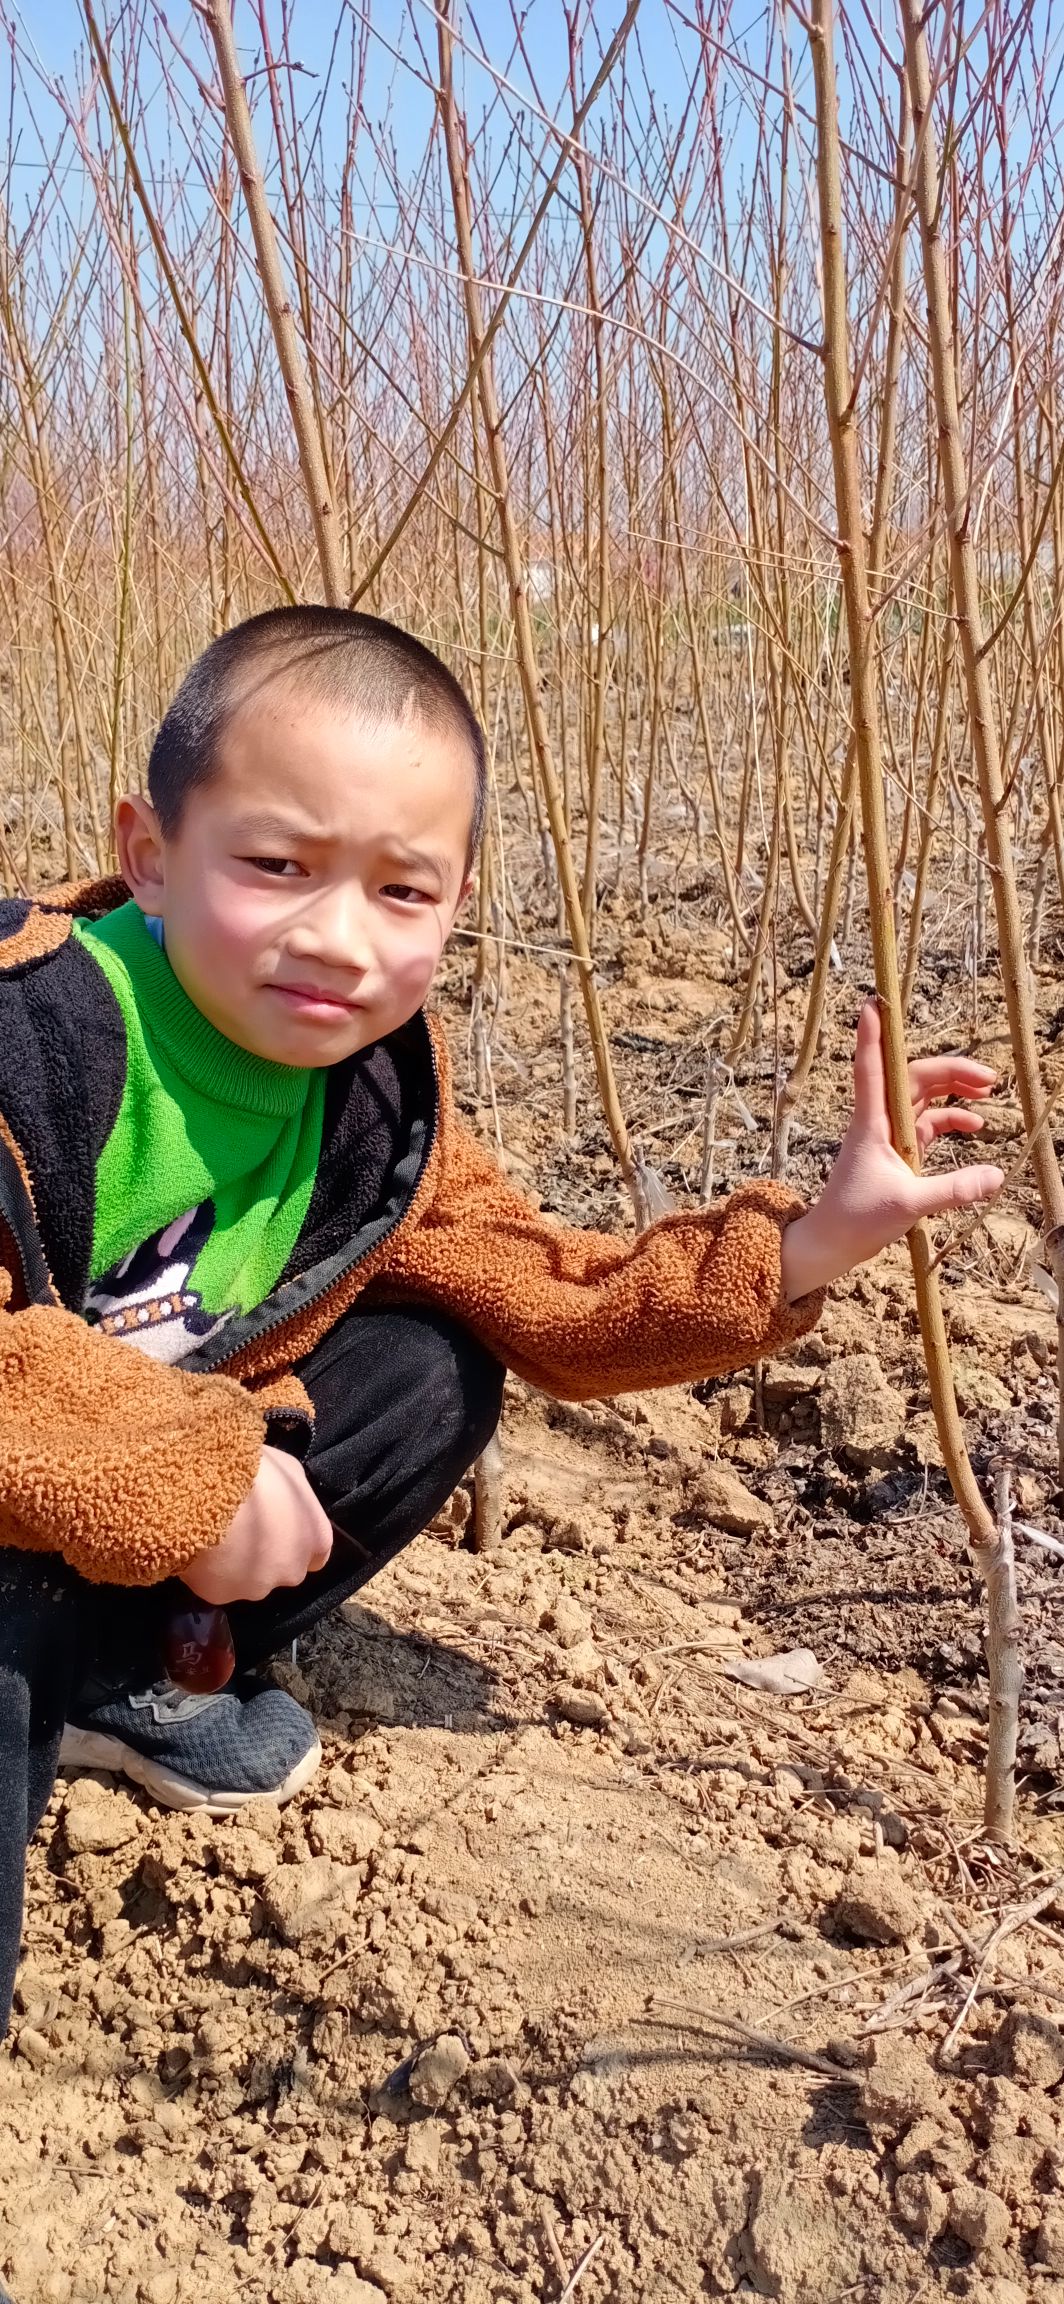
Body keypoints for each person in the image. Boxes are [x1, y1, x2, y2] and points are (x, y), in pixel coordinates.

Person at [0, 604, 1003, 2047]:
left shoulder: (373, 1099)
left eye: (402, 893)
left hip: (122, 1495)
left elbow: (561, 1297)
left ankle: (123, 1678)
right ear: (152, 853)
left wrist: (806, 1242)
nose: (337, 939)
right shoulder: (44, 1035)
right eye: (275, 867)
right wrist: (191, 1473)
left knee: (430, 1369)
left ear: (458, 901)